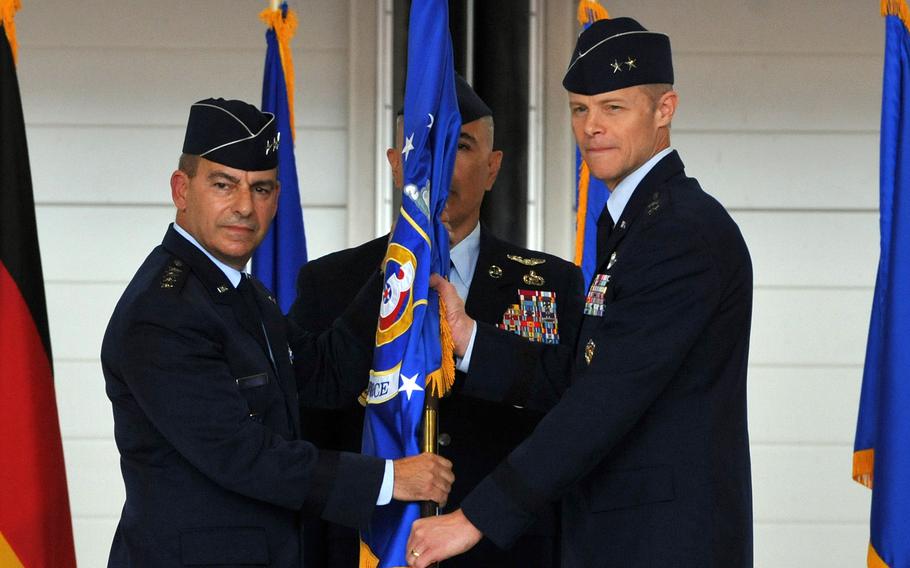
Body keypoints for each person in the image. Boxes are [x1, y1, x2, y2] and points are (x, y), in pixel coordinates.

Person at [407, 17, 754, 568]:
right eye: (579, 108)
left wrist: (476, 517)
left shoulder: (682, 231)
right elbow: (583, 372)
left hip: (662, 543)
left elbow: (602, 401)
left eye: (613, 107)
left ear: (665, 109)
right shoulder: (638, 222)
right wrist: (470, 337)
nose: (592, 126)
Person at [101, 98, 453, 567]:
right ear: (181, 190)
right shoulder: (163, 311)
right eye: (224, 185)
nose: (245, 207)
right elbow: (240, 454)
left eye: (261, 189)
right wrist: (389, 480)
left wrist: (402, 250)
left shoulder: (242, 293)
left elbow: (324, 372)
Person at [289, 76, 585, 567]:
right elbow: (307, 435)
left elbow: (573, 417)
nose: (439, 161)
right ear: (395, 163)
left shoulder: (553, 284)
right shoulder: (332, 282)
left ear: (493, 169)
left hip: (505, 552)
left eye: (460, 145)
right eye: (425, 144)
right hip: (367, 548)